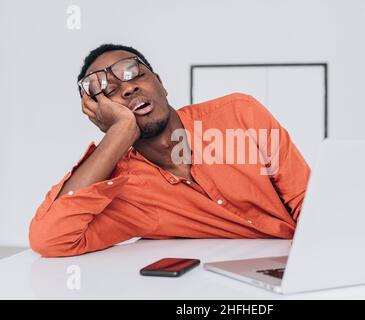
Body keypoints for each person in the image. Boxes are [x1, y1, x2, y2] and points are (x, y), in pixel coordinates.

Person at [29, 44, 311, 257]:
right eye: (111, 91)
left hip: (301, 260)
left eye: (135, 74)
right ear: (102, 115)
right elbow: (50, 238)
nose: (128, 89)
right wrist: (119, 133)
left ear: (161, 84)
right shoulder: (124, 190)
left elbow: (308, 204)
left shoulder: (240, 114)